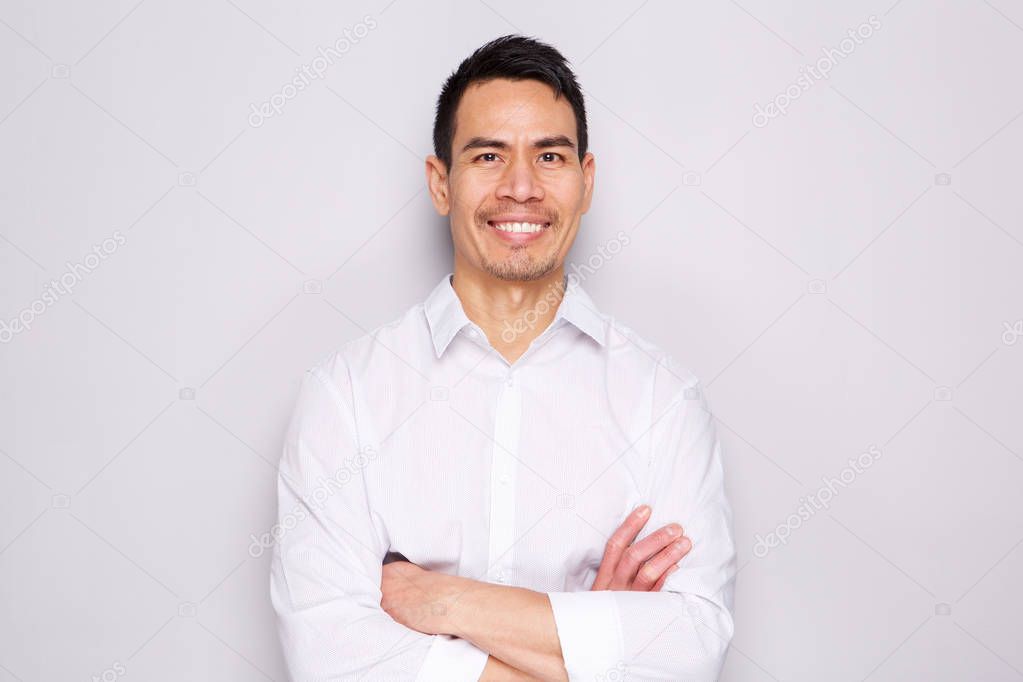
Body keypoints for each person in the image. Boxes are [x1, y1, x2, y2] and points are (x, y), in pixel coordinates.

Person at [271, 34, 736, 681]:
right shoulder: (345, 394)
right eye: (488, 155)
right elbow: (329, 659)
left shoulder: (663, 399)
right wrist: (585, 645)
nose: (521, 187)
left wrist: (439, 599)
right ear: (441, 183)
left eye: (549, 155)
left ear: (585, 180)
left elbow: (689, 652)